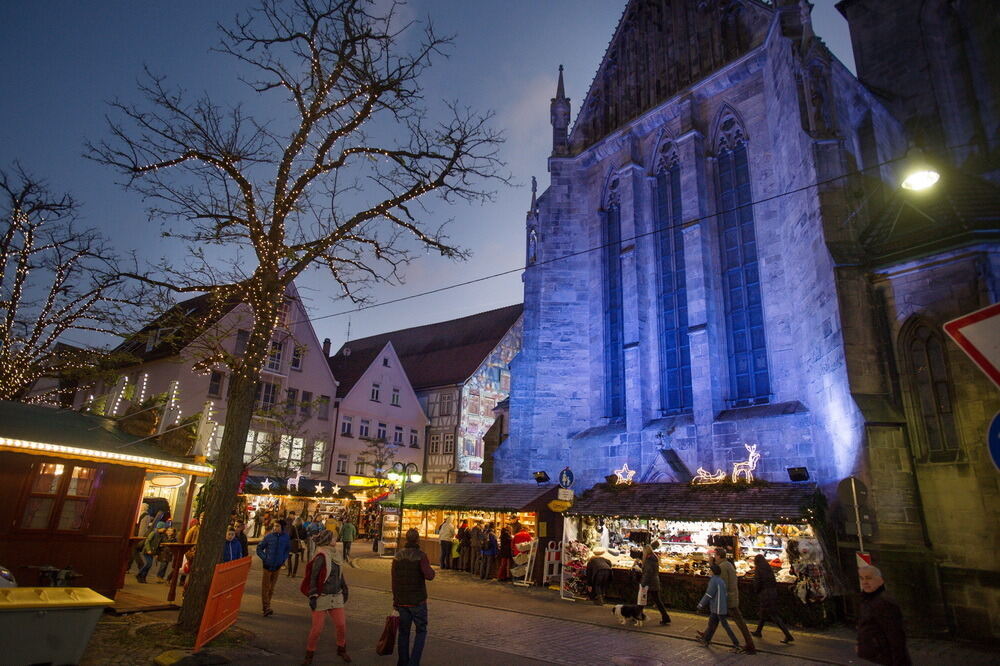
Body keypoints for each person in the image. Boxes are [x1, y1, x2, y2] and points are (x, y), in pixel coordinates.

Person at [303, 529, 351, 665]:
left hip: (336, 595)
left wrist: (344, 588)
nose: (336, 539)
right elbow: (314, 576)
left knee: (341, 625)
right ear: (328, 541)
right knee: (317, 629)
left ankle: (341, 649)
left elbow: (339, 574)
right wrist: (312, 595)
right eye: (333, 538)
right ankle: (309, 654)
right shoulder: (321, 556)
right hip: (322, 596)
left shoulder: (336, 554)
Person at [392, 528, 435, 666]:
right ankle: (414, 662)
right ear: (417, 540)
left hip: (402, 600)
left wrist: (395, 600)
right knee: (421, 631)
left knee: (404, 632)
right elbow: (429, 575)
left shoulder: (397, 556)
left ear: (406, 539)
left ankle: (403, 661)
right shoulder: (421, 556)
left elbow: (394, 580)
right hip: (417, 601)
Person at [857, 565, 911, 665]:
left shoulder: (885, 603)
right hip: (871, 657)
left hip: (883, 658)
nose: (864, 582)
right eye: (862, 578)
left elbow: (896, 638)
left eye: (869, 578)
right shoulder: (866, 600)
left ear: (880, 581)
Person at [712, 548, 755, 653]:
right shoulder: (728, 564)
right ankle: (706, 637)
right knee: (715, 617)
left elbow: (722, 584)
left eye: (715, 555)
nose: (714, 557)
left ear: (718, 556)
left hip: (728, 599)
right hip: (731, 596)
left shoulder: (722, 567)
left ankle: (750, 645)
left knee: (739, 621)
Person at [696, 563, 741, 652]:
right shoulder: (720, 581)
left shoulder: (713, 581)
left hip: (717, 608)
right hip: (720, 607)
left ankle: (736, 644)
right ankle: (706, 640)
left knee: (725, 626)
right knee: (712, 623)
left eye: (710, 570)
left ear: (713, 572)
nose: (709, 572)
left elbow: (708, 595)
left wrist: (700, 605)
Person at [752, 554, 794, 644]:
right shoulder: (768, 568)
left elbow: (757, 583)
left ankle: (788, 635)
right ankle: (758, 631)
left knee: (774, 615)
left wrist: (756, 591)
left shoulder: (759, 569)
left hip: (765, 595)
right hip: (772, 593)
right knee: (764, 614)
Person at [257, 521, 291, 616]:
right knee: (266, 587)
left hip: (277, 566)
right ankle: (266, 607)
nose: (275, 528)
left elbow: (287, 549)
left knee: (272, 588)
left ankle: (267, 606)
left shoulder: (286, 537)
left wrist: (283, 559)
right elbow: (259, 548)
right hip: (267, 565)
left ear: (282, 527)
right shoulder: (268, 537)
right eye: (275, 526)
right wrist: (265, 558)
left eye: (277, 526)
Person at [640, 543, 671, 625]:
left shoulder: (649, 559)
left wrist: (643, 584)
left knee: (642, 600)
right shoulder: (654, 558)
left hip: (650, 583)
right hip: (654, 582)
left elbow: (648, 573)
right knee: (654, 600)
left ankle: (638, 614)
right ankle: (665, 617)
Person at [179, 517, 200, 587]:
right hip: (191, 551)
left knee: (188, 568)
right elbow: (187, 539)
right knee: (187, 567)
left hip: (197, 552)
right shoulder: (194, 529)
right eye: (202, 518)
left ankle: (185, 583)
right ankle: (183, 583)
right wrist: (187, 550)